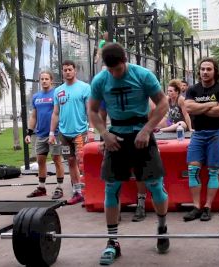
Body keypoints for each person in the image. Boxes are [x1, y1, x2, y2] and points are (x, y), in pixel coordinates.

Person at [89, 43, 170, 265]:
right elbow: (93, 110)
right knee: (111, 187)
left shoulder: (142, 75)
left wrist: (147, 129)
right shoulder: (100, 80)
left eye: (118, 68)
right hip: (116, 137)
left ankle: (162, 228)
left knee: (155, 184)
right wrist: (104, 133)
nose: (115, 73)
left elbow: (163, 103)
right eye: (111, 69)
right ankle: (112, 242)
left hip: (142, 134)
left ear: (125, 60)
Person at [183, 57, 219, 222]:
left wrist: (199, 109)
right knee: (192, 170)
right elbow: (188, 108)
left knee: (213, 172)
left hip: (216, 134)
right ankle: (196, 207)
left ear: (215, 71)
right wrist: (211, 105)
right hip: (198, 134)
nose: (205, 72)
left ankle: (207, 207)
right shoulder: (192, 90)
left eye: (208, 69)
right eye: (202, 69)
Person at [49, 60, 91, 205]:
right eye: (65, 70)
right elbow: (55, 113)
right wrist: (51, 133)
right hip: (63, 134)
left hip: (80, 132)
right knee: (71, 161)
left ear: (75, 71)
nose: (67, 72)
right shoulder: (58, 91)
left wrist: (90, 129)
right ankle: (77, 192)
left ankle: (89, 193)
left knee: (82, 162)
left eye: (69, 69)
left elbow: (89, 110)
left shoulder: (85, 88)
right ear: (62, 72)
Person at [25, 70, 65, 199]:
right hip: (41, 134)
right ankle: (41, 188)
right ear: (39, 80)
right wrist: (29, 133)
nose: (44, 81)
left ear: (51, 80)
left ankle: (59, 188)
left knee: (56, 160)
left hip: (55, 133)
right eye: (42, 79)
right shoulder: (36, 96)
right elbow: (33, 116)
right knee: (40, 160)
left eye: (46, 79)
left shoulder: (56, 94)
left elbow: (59, 113)